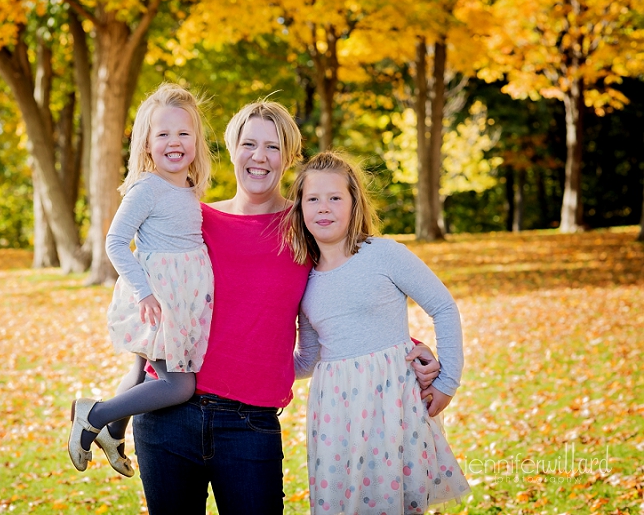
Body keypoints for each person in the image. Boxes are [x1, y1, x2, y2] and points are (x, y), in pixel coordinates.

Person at [131, 101, 441, 514]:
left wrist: (406, 345)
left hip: (249, 427)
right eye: (249, 144)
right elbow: (153, 306)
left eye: (273, 147)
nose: (259, 157)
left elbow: (349, 294)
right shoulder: (193, 220)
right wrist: (127, 395)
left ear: (290, 156)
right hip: (166, 418)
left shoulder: (306, 226)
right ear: (231, 147)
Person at [285, 151, 471, 514]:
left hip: (391, 405)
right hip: (335, 414)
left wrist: (447, 381)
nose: (324, 208)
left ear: (354, 203)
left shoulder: (383, 255)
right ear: (300, 208)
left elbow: (444, 307)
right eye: (313, 199)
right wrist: (249, 367)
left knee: (395, 503)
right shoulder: (304, 279)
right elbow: (308, 358)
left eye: (335, 198)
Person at [68, 83, 214, 478]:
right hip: (158, 296)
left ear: (197, 141)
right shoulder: (148, 188)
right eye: (163, 134)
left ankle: (114, 432)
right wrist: (144, 292)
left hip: (179, 295)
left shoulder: (187, 187)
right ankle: (94, 414)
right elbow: (115, 241)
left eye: (184, 133)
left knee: (139, 370)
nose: (174, 142)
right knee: (179, 385)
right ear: (146, 144)